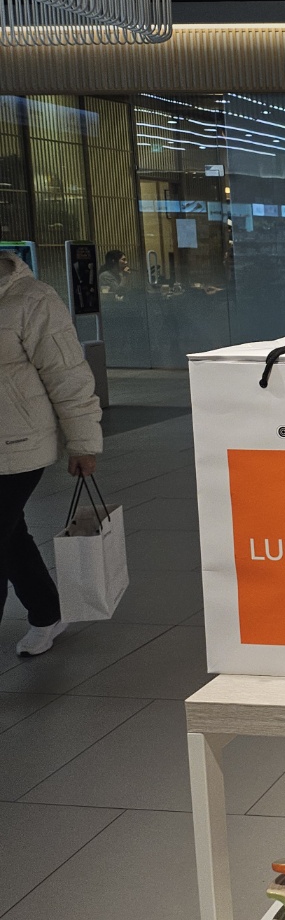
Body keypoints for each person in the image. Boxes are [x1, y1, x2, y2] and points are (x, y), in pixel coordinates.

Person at [0, 249, 102, 656]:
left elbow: (67, 374)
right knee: (10, 535)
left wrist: (83, 442)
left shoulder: (32, 298)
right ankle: (47, 611)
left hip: (18, 446)